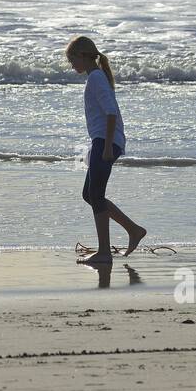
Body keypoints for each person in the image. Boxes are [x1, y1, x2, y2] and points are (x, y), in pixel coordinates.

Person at [65, 36, 147, 265]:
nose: (72, 66)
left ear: (82, 55)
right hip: (101, 141)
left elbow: (111, 113)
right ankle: (133, 230)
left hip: (105, 141)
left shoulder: (96, 79)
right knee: (89, 195)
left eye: (72, 60)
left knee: (96, 196)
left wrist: (108, 146)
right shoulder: (95, 77)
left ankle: (104, 252)